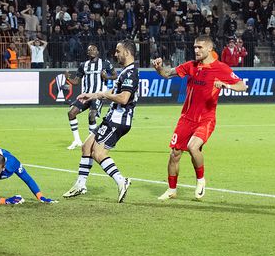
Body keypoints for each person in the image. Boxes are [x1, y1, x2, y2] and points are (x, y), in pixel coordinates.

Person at [152, 35, 248, 200]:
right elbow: (168, 74)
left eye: (200, 47)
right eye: (195, 47)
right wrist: (159, 68)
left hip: (206, 119)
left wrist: (227, 85)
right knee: (174, 154)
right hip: (186, 118)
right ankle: (171, 190)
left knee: (193, 147)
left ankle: (201, 180)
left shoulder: (221, 68)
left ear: (209, 49)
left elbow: (243, 86)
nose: (196, 50)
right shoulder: (191, 66)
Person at [62, 40, 139, 203]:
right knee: (86, 146)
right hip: (112, 118)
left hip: (118, 120)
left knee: (98, 152)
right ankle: (81, 184)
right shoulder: (126, 71)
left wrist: (104, 96)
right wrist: (93, 95)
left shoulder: (131, 73)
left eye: (118, 51)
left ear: (127, 53)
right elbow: (114, 91)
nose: (116, 54)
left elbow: (123, 98)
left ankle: (121, 181)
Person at [64, 44, 117, 150]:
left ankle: (91, 142)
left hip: (98, 96)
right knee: (71, 113)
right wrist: (68, 79)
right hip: (85, 95)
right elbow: (76, 81)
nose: (92, 51)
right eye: (89, 50)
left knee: (91, 116)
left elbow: (115, 75)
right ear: (87, 53)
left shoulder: (105, 63)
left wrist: (107, 77)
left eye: (94, 49)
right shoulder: (83, 65)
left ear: (97, 52)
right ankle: (77, 140)